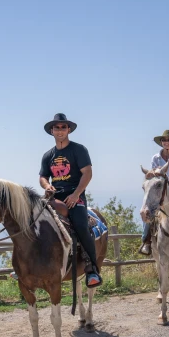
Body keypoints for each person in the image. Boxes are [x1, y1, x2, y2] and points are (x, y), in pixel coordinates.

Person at [39, 113, 103, 288]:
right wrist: (46, 186)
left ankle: (92, 269)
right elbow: (43, 176)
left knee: (81, 226)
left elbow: (87, 173)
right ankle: (29, 264)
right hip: (54, 197)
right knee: (33, 220)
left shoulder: (78, 149)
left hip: (75, 196)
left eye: (63, 127)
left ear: (68, 130)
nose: (60, 130)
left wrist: (76, 195)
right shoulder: (48, 155)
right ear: (51, 131)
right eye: (56, 128)